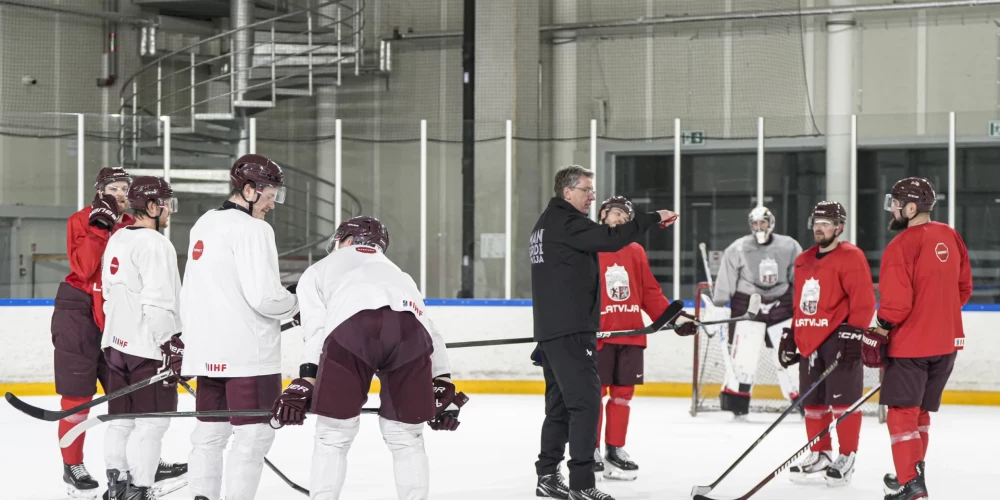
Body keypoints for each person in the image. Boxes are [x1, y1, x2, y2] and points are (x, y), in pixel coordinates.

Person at [270, 216, 467, 500]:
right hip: (410, 334)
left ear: (347, 240)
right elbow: (430, 331)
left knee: (333, 436)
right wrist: (442, 380)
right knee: (406, 436)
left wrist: (306, 379)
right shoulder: (399, 274)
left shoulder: (318, 269)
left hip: (352, 331)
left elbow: (317, 331)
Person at [530, 165, 678, 500]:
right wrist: (653, 217)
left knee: (560, 407)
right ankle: (583, 484)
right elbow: (611, 239)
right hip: (571, 331)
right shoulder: (567, 222)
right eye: (586, 189)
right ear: (567, 192)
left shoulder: (545, 224)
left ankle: (548, 476)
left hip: (553, 332)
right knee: (585, 405)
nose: (591, 195)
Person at [50, 167, 184, 496]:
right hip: (79, 312)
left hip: (114, 320)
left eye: (126, 186)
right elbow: (83, 268)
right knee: (79, 394)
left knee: (129, 401)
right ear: (100, 191)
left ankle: (143, 463)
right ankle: (73, 464)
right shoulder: (84, 219)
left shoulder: (132, 229)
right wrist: (100, 225)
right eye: (114, 187)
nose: (121, 192)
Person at [179, 154, 299, 500]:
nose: (272, 204)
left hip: (206, 351)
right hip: (248, 356)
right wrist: (296, 303)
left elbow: (198, 291)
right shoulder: (255, 229)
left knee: (208, 435)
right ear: (249, 189)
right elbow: (265, 298)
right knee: (254, 437)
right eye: (270, 195)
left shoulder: (203, 222)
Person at [862, 177, 972, 500]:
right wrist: (937, 314)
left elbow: (896, 305)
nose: (893, 210)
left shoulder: (900, 245)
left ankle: (911, 485)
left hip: (911, 347)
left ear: (911, 207)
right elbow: (963, 289)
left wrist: (879, 328)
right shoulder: (951, 235)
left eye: (896, 204)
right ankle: (910, 473)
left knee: (901, 413)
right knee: (920, 413)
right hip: (947, 346)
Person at [591, 196, 698, 481]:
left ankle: (615, 448)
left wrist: (675, 320)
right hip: (599, 336)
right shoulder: (590, 247)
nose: (620, 219)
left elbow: (650, 292)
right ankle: (590, 450)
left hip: (631, 335)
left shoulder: (635, 250)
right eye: (615, 213)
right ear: (602, 215)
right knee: (594, 396)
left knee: (623, 397)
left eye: (626, 217)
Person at [776, 201, 876, 487]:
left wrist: (855, 333)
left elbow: (864, 300)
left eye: (827, 223)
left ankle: (847, 456)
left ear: (839, 227)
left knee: (843, 402)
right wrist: (792, 334)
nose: (820, 227)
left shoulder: (851, 256)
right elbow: (801, 303)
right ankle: (820, 454)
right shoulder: (804, 259)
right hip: (809, 338)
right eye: (817, 222)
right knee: (813, 403)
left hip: (839, 338)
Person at [100, 176, 187, 500]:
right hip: (147, 349)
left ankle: (117, 484)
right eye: (167, 205)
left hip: (116, 345)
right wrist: (171, 345)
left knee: (121, 421)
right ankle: (138, 490)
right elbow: (157, 301)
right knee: (153, 424)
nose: (169, 212)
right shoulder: (156, 243)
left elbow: (109, 294)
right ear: (151, 206)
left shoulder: (118, 238)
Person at [708, 206, 803, 420]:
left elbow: (800, 276)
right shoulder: (738, 248)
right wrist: (720, 305)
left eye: (764, 222)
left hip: (782, 305)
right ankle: (737, 403)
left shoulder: (789, 245)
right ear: (751, 225)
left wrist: (802, 306)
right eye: (756, 223)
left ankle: (803, 400)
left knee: (790, 356)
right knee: (744, 357)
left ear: (772, 223)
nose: (760, 227)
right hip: (747, 305)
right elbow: (726, 280)